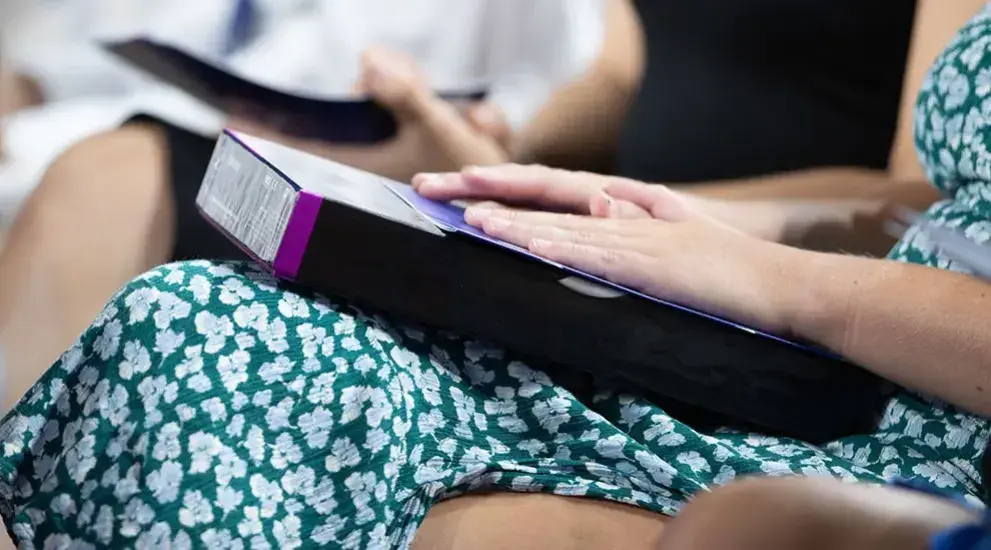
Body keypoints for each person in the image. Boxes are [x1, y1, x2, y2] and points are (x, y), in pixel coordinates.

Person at [1, 1, 990, 547]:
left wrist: (768, 273)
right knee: (187, 314)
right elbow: (916, 200)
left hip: (867, 372)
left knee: (221, 345)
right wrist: (603, 197)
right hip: (749, 277)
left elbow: (878, 216)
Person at [0, 0, 606, 406]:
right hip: (180, 131)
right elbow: (57, 65)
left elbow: (598, 73)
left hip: (371, 188)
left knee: (104, 179)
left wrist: (490, 148)